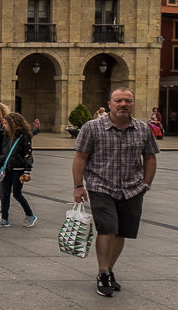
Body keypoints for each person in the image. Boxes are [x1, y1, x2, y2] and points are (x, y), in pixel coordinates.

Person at [73, 87, 158, 297]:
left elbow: (150, 157)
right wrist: (78, 186)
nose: (123, 104)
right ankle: (102, 273)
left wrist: (145, 184)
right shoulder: (92, 128)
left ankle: (109, 270)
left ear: (132, 103)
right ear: (109, 104)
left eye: (128, 100)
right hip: (101, 186)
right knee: (107, 229)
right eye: (118, 100)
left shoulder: (142, 129)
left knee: (121, 232)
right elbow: (80, 157)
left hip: (132, 188)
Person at [0, 112, 36, 229]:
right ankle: (4, 218)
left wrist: (27, 171)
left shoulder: (24, 136)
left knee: (17, 194)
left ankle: (30, 215)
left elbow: (28, 154)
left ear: (13, 123)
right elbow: (3, 153)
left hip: (18, 169)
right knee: (5, 193)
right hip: (6, 169)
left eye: (5, 123)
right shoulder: (6, 136)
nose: (3, 126)